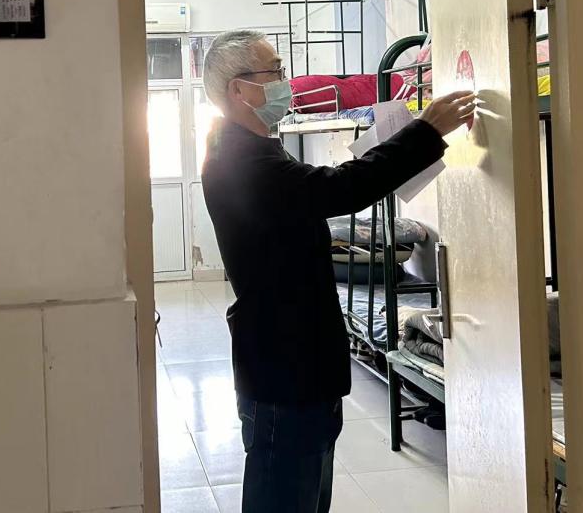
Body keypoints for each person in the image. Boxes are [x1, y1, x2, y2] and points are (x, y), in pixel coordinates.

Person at [200, 29, 476, 513]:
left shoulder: (253, 147)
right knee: (284, 495)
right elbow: (341, 188)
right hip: (284, 366)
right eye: (274, 72)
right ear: (239, 90)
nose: (286, 82)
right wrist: (424, 131)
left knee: (304, 490)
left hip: (298, 360)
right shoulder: (240, 159)